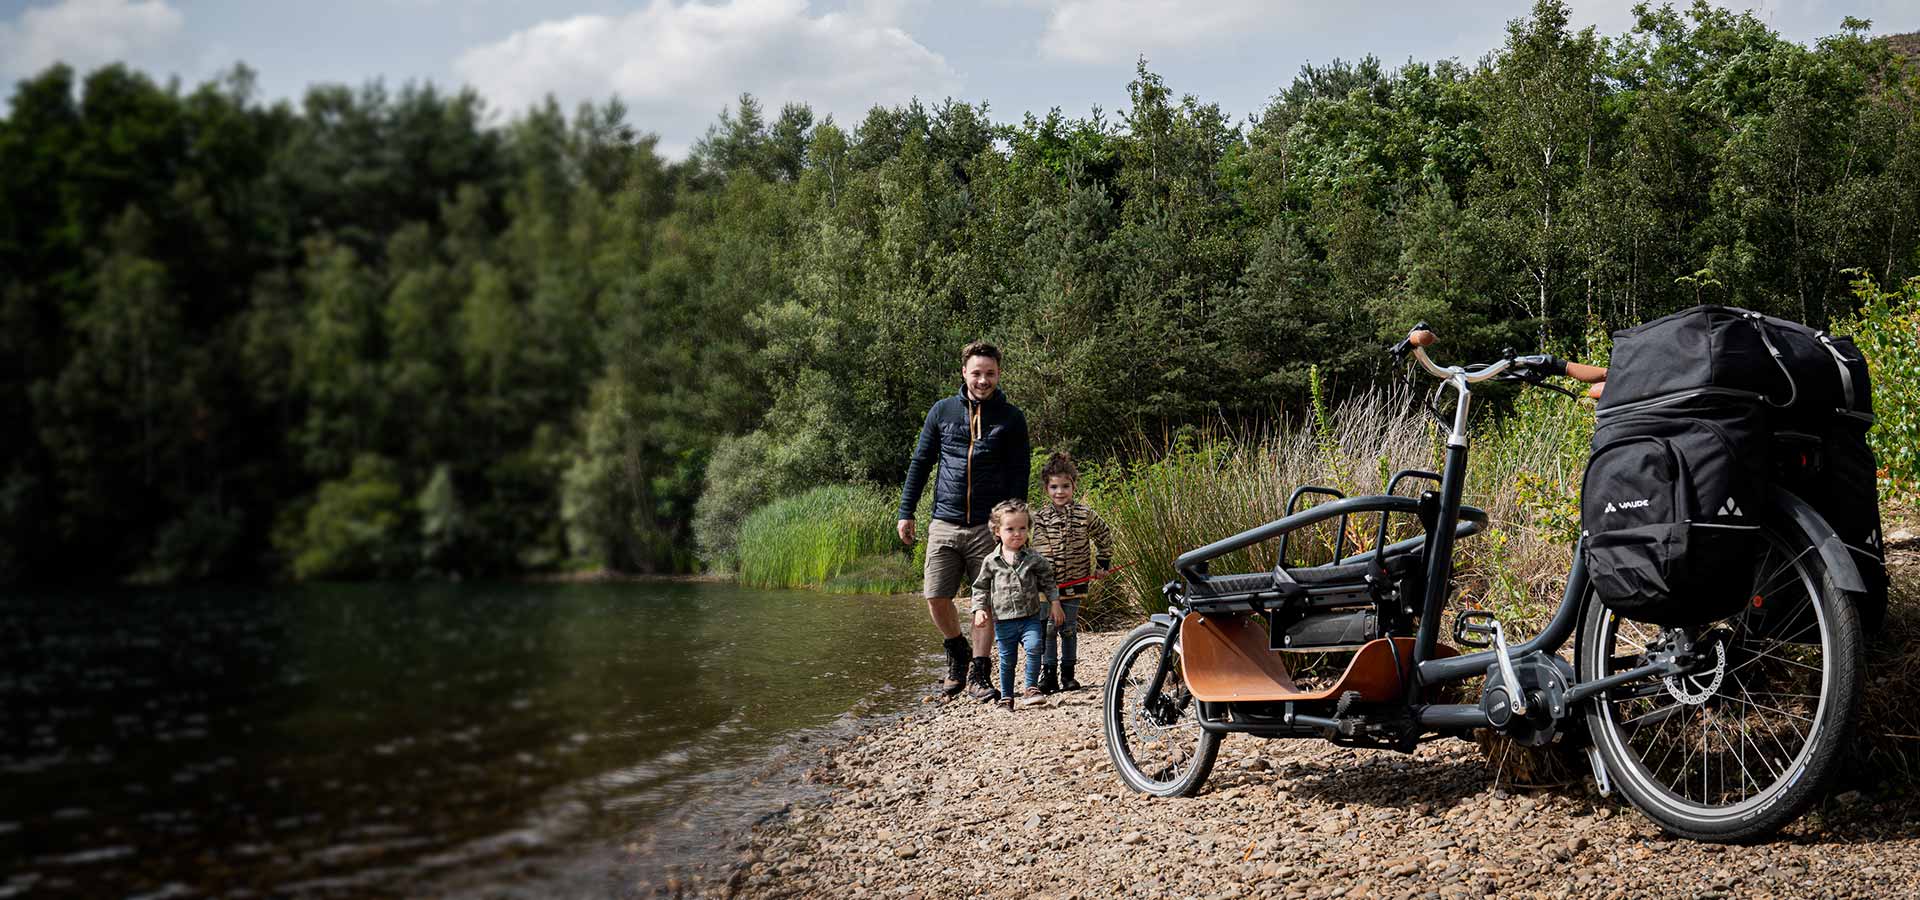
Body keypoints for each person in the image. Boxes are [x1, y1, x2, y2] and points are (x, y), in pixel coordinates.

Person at [897, 340, 1032, 701]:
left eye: (990, 373)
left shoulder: (1011, 418)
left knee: (984, 602)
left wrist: (1014, 528)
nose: (983, 380)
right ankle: (957, 650)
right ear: (964, 373)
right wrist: (905, 511)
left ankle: (978, 672)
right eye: (977, 373)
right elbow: (921, 463)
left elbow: (1020, 474)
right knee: (935, 596)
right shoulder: (942, 411)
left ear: (998, 374)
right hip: (944, 520)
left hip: (989, 527)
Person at [1030, 451, 1114, 693]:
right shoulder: (1042, 518)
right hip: (1046, 587)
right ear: (1047, 489)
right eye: (1054, 487)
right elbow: (1041, 556)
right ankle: (1048, 676)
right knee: (1047, 628)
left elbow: (1104, 535)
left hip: (1076, 583)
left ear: (1074, 486)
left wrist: (1103, 565)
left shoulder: (1085, 515)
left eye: (1065, 486)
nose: (1060, 492)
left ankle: (1068, 676)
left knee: (1068, 628)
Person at [969, 499, 1063, 710]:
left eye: (1022, 528)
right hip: (1003, 621)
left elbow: (1048, 581)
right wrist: (979, 610)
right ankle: (1007, 697)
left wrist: (1055, 603)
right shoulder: (991, 561)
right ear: (997, 531)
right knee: (1007, 659)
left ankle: (1031, 688)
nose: (1017, 533)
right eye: (1010, 529)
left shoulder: (1034, 559)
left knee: (1034, 647)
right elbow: (980, 587)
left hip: (1031, 617)